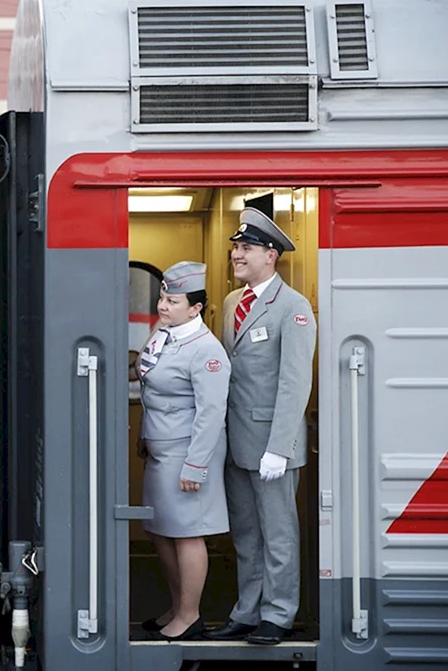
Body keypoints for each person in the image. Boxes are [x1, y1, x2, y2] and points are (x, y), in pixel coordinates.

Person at [205, 208, 316, 646]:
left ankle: (279, 613)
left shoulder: (292, 307)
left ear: (271, 255)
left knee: (279, 535)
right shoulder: (234, 302)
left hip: (272, 446)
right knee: (247, 536)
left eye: (245, 248)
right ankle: (247, 611)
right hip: (236, 442)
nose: (237, 255)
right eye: (235, 247)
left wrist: (281, 447)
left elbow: (294, 382)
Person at [136, 261, 231, 641]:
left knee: (187, 533)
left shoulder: (206, 350)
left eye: (173, 301)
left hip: (186, 453)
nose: (163, 306)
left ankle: (189, 616)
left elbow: (211, 414)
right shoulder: (165, 334)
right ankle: (177, 607)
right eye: (162, 297)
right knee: (161, 531)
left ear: (195, 308)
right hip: (160, 451)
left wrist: (196, 466)